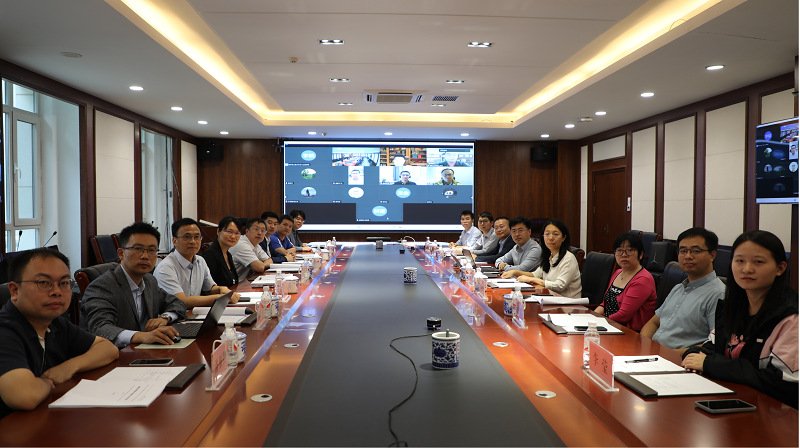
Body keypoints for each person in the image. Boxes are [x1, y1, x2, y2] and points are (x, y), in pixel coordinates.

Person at [682, 230, 798, 408]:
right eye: (740, 261)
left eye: (758, 262)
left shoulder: (791, 318)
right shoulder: (733, 306)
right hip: (730, 400)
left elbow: (784, 385)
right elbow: (708, 349)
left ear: (780, 268)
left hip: (773, 414)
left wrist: (712, 364)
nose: (747, 269)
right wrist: (695, 357)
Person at [0, 249, 119, 417]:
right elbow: (24, 396)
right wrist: (47, 382)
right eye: (43, 283)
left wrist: (69, 367)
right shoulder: (5, 330)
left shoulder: (54, 323)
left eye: (63, 283)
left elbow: (108, 349)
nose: (56, 291)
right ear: (14, 290)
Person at [81, 222, 187, 347]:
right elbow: (101, 328)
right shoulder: (102, 286)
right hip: (113, 354)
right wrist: (142, 336)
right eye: (138, 249)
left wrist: (164, 317)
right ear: (121, 253)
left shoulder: (149, 280)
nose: (145, 256)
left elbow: (177, 303)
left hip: (144, 350)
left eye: (151, 250)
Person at [641, 227, 726, 353]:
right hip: (653, 355)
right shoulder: (678, 288)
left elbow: (715, 344)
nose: (688, 256)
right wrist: (643, 345)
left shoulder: (719, 294)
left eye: (695, 251)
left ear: (712, 255)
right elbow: (654, 322)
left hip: (679, 360)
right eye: (683, 251)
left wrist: (665, 355)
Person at [154, 218, 239, 308]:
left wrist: (220, 289)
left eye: (197, 237)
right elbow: (181, 301)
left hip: (195, 312)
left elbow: (209, 288)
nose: (193, 241)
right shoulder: (166, 267)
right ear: (175, 241)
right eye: (187, 237)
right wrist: (220, 298)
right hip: (173, 315)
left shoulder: (200, 261)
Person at [501, 219, 581, 298]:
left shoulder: (568, 258)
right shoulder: (548, 256)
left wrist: (532, 280)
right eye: (547, 234)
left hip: (568, 302)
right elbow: (535, 274)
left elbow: (559, 286)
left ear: (564, 238)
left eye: (555, 234)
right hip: (550, 298)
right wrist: (514, 272)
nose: (550, 238)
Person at [595, 232, 656, 331]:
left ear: (640, 254)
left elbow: (623, 316)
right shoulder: (618, 272)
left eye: (630, 250)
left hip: (629, 331)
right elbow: (604, 304)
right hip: (608, 325)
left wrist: (599, 322)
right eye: (619, 250)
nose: (624, 255)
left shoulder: (643, 279)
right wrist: (592, 318)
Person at [200, 216, 241, 287]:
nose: (233, 236)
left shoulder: (228, 254)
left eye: (237, 233)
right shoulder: (210, 255)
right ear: (218, 231)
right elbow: (208, 287)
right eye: (229, 232)